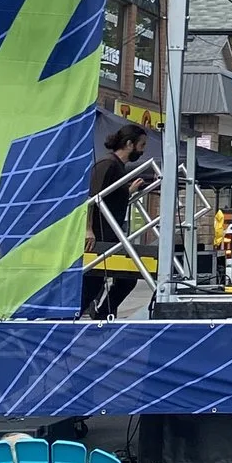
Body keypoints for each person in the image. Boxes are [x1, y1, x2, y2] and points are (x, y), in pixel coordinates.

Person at [83, 124, 154, 318]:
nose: (143, 150)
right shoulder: (107, 164)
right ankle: (77, 317)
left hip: (112, 233)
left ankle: (102, 314)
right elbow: (91, 198)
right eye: (142, 145)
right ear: (129, 144)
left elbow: (110, 197)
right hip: (100, 233)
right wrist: (88, 229)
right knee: (94, 282)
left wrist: (128, 191)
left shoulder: (119, 168)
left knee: (124, 278)